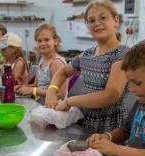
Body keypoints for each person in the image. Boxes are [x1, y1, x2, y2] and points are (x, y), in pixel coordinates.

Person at [45, 0, 129, 134]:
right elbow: (63, 72)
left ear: (116, 20)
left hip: (110, 129)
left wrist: (70, 101)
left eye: (103, 17)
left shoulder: (122, 54)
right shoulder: (88, 54)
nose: (97, 23)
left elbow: (110, 95)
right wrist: (51, 90)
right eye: (91, 20)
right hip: (84, 123)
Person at [15, 24, 67, 102]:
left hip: (55, 106)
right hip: (41, 103)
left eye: (46, 40)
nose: (42, 43)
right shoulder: (42, 59)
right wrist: (22, 87)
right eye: (39, 40)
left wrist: (33, 90)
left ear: (55, 41)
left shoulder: (56, 63)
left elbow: (61, 94)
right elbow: (37, 85)